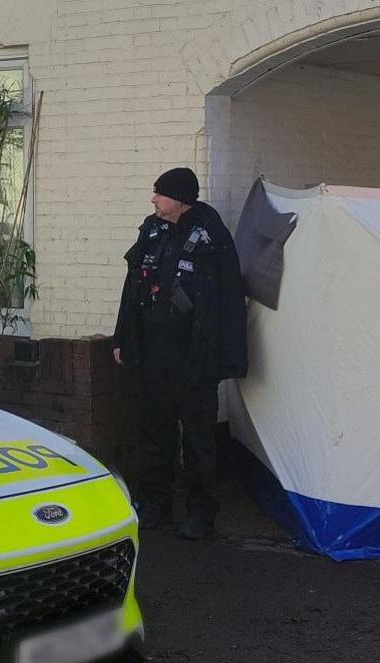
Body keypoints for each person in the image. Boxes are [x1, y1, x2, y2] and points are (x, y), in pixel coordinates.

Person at [112, 167, 248, 540]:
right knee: (155, 433)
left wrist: (228, 356)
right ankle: (155, 504)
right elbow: (132, 287)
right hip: (155, 355)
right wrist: (123, 338)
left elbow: (229, 299)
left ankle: (201, 512)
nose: (153, 199)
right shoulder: (151, 231)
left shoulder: (211, 238)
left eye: (160, 193)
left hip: (195, 358)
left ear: (181, 199)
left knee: (198, 438)